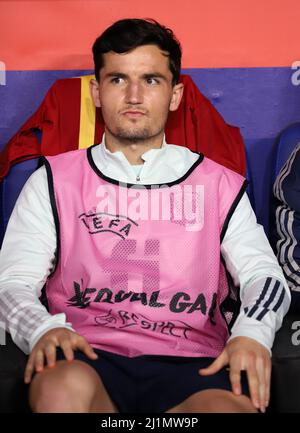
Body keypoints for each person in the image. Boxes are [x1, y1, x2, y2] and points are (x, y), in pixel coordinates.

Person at [0, 18, 290, 414]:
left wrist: (252, 334)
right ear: (96, 92)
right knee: (60, 391)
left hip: (195, 361)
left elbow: (264, 277)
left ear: (174, 95)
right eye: (118, 79)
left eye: (151, 80)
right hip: (86, 352)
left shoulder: (218, 184)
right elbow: (11, 282)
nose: (134, 95)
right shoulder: (53, 179)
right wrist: (41, 330)